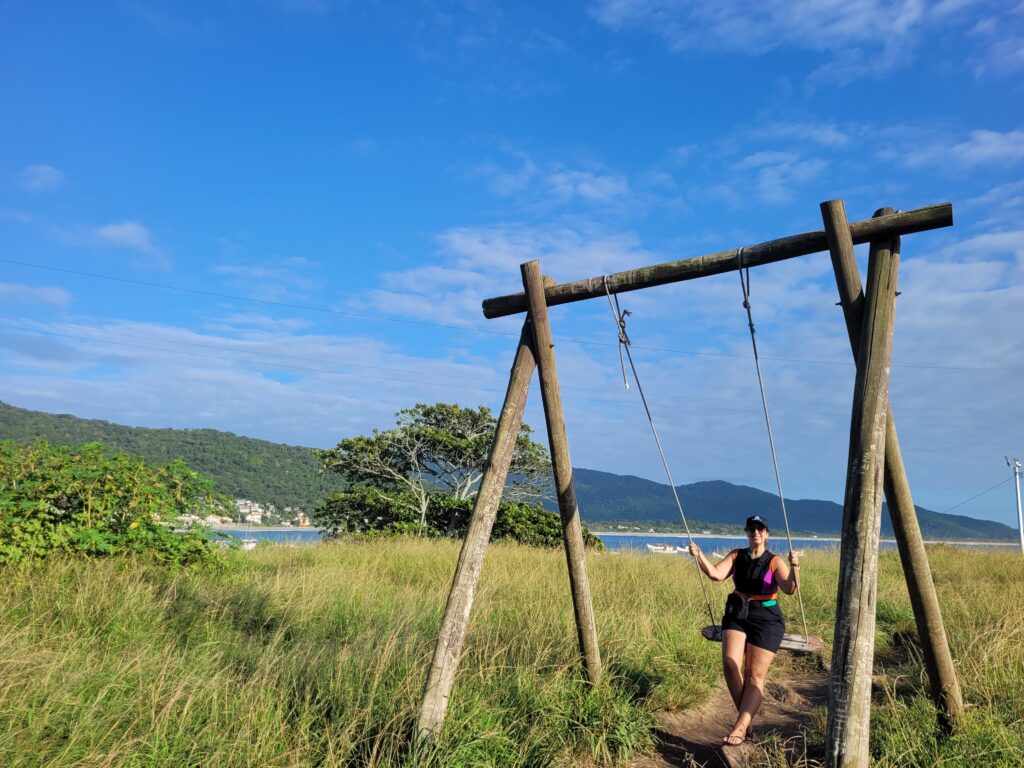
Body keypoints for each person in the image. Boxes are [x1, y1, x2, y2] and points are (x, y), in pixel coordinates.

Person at [688, 514, 800, 746]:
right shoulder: (738, 555)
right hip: (738, 613)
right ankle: (746, 720)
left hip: (766, 618)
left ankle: (740, 727)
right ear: (747, 532)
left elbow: (790, 588)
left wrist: (794, 565)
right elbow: (716, 574)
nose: (755, 532)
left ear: (766, 533)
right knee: (730, 663)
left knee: (754, 676)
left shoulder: (774, 561)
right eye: (751, 529)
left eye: (760, 529)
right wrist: (699, 556)